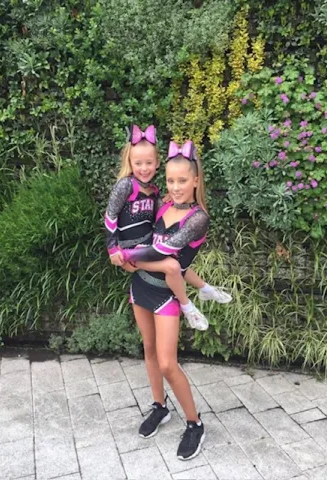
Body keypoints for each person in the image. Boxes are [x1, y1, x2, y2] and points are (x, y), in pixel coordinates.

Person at [115, 139, 211, 460]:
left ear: (196, 180)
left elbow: (166, 254)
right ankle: (160, 406)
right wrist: (116, 240)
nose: (176, 186)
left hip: (166, 295)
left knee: (169, 362)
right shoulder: (165, 204)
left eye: (182, 180)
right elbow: (141, 230)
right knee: (150, 350)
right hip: (140, 287)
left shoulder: (198, 218)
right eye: (170, 180)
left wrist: (128, 257)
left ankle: (195, 424)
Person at [105, 125, 231, 331]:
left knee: (176, 265)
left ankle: (204, 288)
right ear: (129, 162)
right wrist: (114, 249)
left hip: (144, 247)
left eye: (149, 163)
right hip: (131, 251)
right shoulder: (126, 185)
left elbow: (154, 224)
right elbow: (110, 216)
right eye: (138, 163)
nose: (144, 168)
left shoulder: (155, 192)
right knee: (172, 266)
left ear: (156, 164)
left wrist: (168, 200)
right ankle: (188, 305)